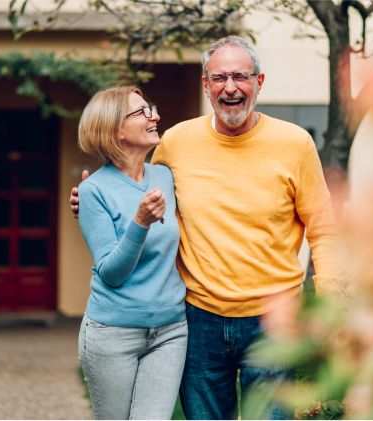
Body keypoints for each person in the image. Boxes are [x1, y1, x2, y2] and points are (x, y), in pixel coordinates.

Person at [71, 36, 342, 420]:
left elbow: (324, 229)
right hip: (197, 320)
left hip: (275, 320)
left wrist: (328, 305)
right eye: (219, 77)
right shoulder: (176, 143)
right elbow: (128, 184)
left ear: (259, 82)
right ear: (205, 85)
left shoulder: (295, 144)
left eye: (240, 76)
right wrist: (87, 203)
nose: (230, 87)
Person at [76, 85, 187, 420]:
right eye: (142, 112)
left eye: (150, 108)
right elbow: (112, 273)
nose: (154, 115)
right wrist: (140, 222)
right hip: (113, 333)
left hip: (170, 330)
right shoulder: (93, 190)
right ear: (115, 130)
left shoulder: (165, 176)